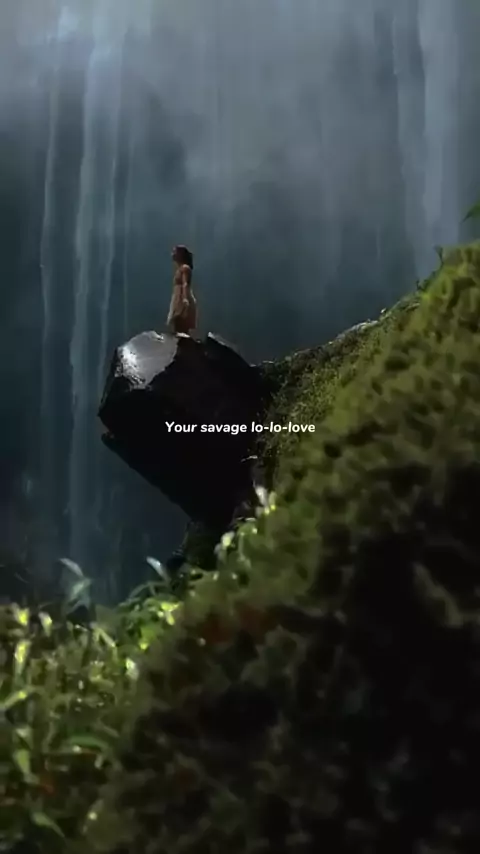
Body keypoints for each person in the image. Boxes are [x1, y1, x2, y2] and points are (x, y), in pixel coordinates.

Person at [166, 244, 197, 335]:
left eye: (175, 252)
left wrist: (184, 298)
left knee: (181, 325)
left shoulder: (185, 268)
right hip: (178, 298)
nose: (172, 254)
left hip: (182, 298)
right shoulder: (180, 269)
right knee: (178, 325)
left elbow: (185, 283)